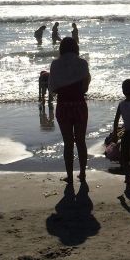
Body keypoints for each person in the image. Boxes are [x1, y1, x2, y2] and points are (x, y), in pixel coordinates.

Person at [48, 37, 91, 184]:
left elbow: (52, 88)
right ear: (76, 48)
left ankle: (70, 176)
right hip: (79, 104)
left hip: (63, 105)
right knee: (81, 141)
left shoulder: (55, 64)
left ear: (61, 49)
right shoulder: (83, 63)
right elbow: (85, 88)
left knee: (68, 143)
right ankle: (83, 173)